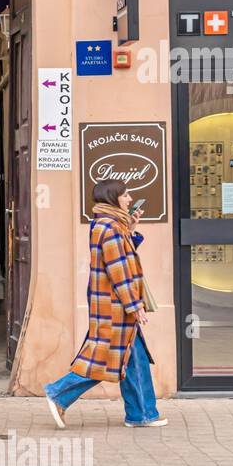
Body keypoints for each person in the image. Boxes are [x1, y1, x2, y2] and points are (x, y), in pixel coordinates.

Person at [44, 179, 167, 428]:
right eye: (125, 195)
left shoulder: (110, 225)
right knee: (103, 359)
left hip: (111, 305)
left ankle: (142, 413)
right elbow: (118, 270)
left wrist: (131, 229)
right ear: (113, 198)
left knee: (133, 357)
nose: (130, 199)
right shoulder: (109, 227)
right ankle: (59, 392)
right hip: (114, 307)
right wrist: (135, 305)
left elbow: (123, 255)